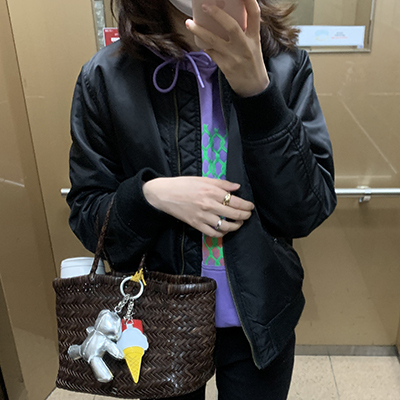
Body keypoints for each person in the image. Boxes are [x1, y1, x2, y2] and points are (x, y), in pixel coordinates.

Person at [67, 0, 337, 398]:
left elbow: (306, 211)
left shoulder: (283, 66)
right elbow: (89, 216)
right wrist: (151, 196)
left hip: (260, 316)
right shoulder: (107, 77)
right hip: (156, 319)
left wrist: (258, 92)